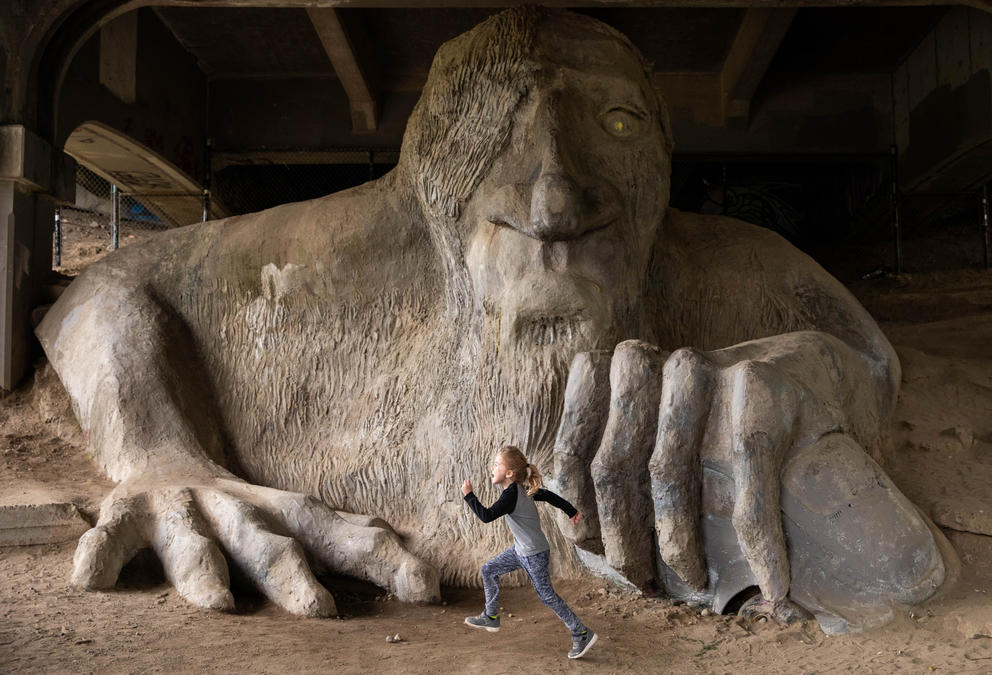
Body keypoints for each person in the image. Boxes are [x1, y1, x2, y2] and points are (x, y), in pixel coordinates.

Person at [461, 445, 598, 659]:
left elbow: (486, 516)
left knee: (547, 595)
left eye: (497, 464)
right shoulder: (521, 490)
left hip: (533, 554)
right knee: (488, 570)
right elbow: (550, 496)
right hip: (521, 551)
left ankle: (581, 632)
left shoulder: (511, 495)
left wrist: (469, 496)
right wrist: (571, 511)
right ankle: (491, 615)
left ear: (509, 473)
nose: (492, 467)